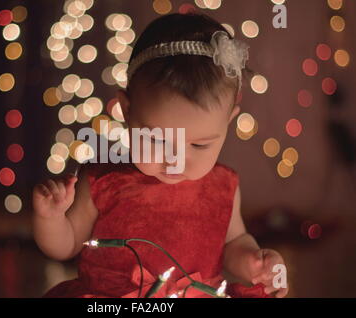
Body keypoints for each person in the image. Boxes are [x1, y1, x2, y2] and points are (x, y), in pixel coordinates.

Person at [33, 12, 288, 298]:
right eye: (157, 140)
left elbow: (234, 242)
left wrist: (254, 262)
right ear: (127, 110)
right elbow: (65, 245)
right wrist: (52, 219)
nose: (174, 158)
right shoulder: (103, 182)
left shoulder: (223, 187)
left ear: (228, 122)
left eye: (199, 145)